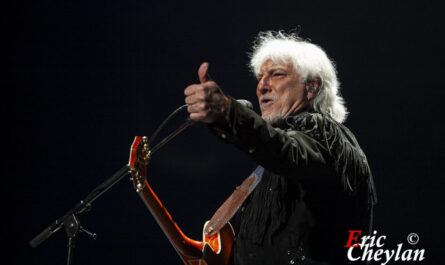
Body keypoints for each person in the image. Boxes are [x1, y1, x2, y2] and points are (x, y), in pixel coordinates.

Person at [184, 31, 377, 265]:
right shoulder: (273, 166)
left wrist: (229, 114)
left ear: (312, 87)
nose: (262, 85)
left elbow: (285, 150)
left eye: (276, 74)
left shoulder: (325, 135)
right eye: (260, 77)